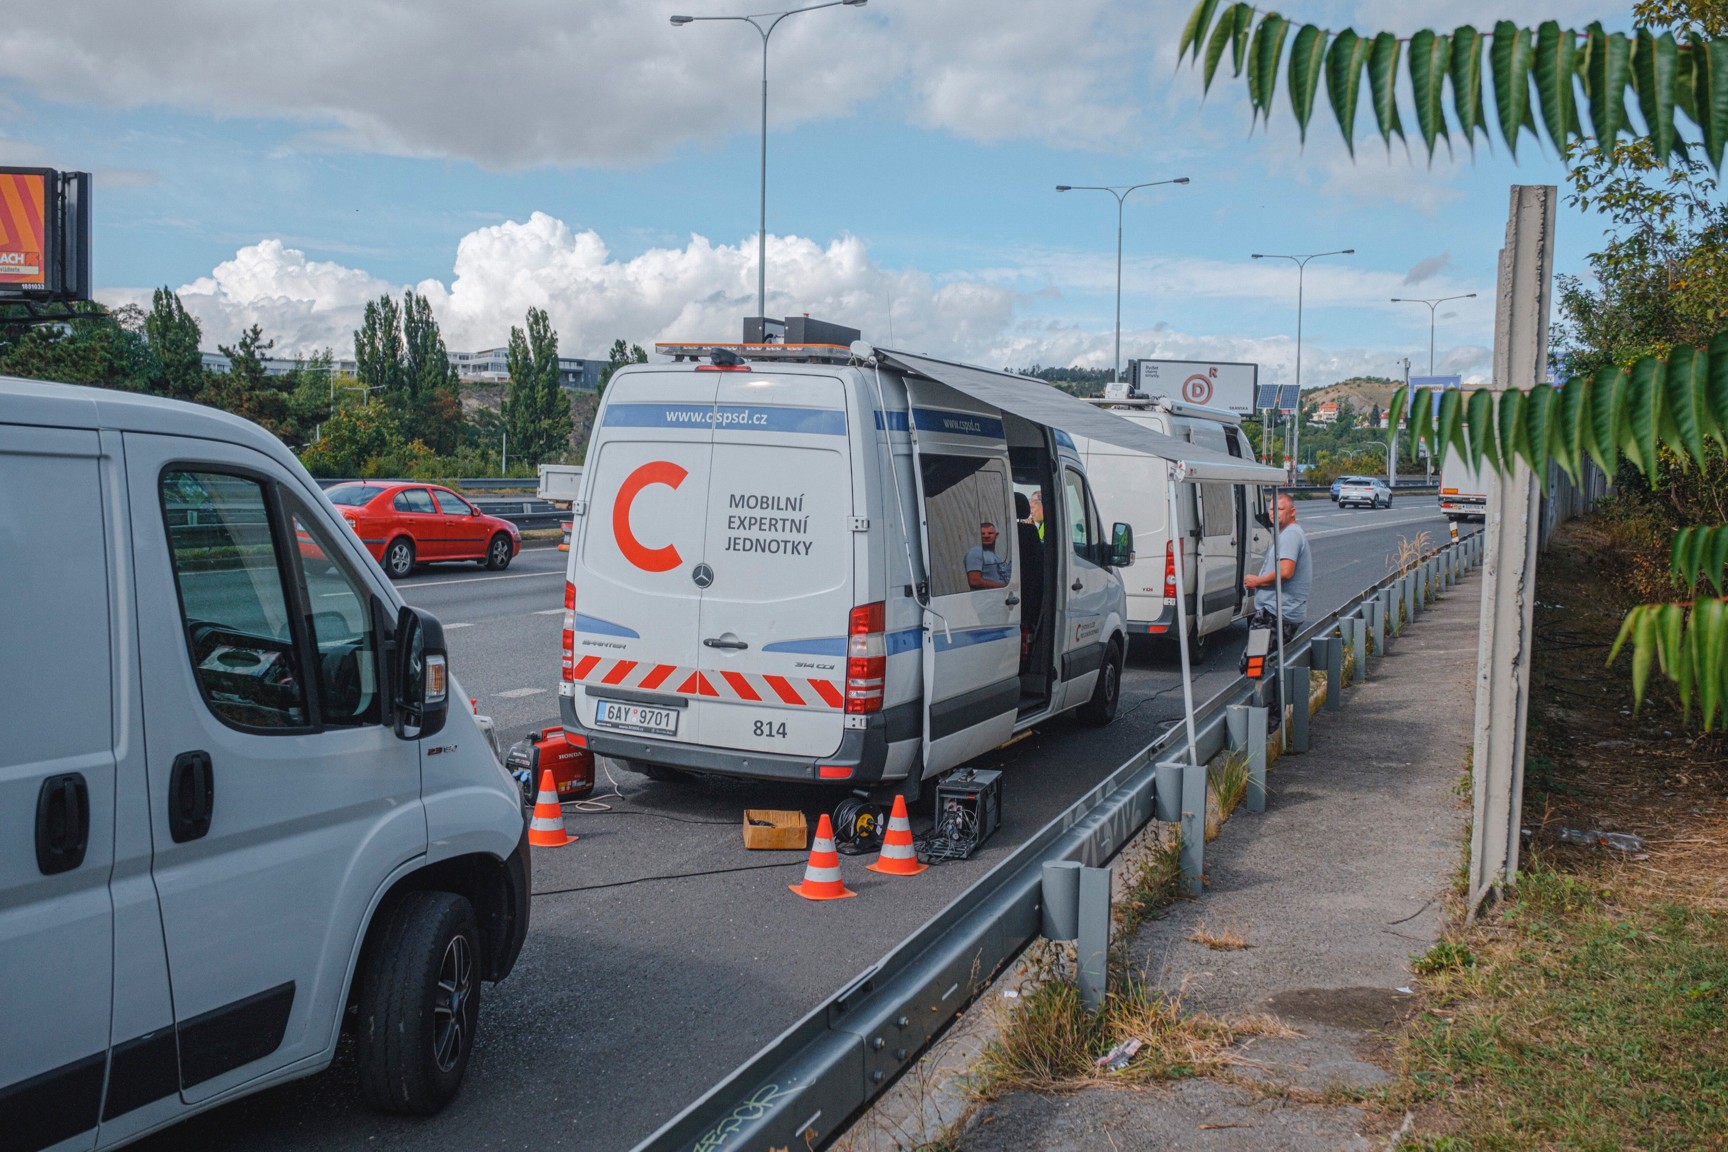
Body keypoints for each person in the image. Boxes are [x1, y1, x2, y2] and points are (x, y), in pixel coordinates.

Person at [1241, 493, 1311, 730]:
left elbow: (1285, 572)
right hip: (1279, 612)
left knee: (1254, 664)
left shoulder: (1290, 535)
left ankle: (1265, 723)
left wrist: (1257, 581)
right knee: (1261, 664)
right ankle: (1265, 719)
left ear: (1292, 512)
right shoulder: (1286, 534)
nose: (1273, 513)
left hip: (1276, 614)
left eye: (1279, 509)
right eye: (1271, 510)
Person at [964, 521, 1012, 589]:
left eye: (990, 533)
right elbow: (974, 581)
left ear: (996, 535)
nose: (986, 536)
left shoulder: (996, 555)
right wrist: (1006, 587)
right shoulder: (975, 552)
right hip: (985, 598)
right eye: (982, 534)